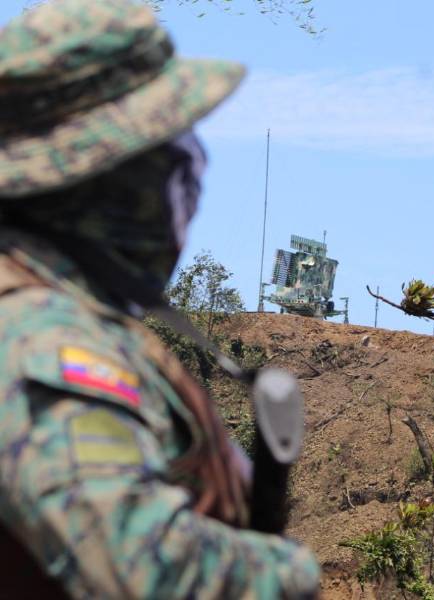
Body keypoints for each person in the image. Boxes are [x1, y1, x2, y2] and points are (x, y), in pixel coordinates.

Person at [0, 0, 320, 598]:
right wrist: (291, 575)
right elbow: (134, 568)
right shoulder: (40, 335)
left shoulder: (61, 308)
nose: (193, 172)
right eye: (171, 151)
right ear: (120, 179)